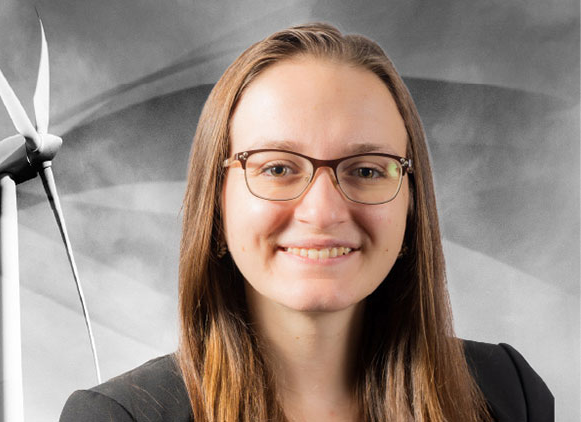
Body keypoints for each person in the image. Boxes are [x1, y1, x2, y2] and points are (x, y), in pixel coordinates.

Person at [59, 23, 553, 422]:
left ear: (412, 201)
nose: (323, 211)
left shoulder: (508, 394)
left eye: (365, 170)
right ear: (216, 201)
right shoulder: (118, 417)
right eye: (276, 168)